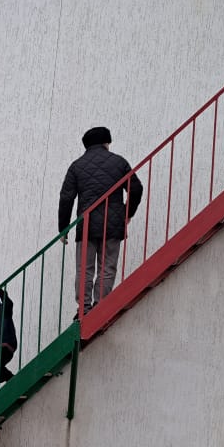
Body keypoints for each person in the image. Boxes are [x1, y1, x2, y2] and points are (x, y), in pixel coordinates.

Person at [58, 126, 144, 314]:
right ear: (106, 142)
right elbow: (136, 189)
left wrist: (63, 228)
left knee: (84, 269)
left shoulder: (76, 166)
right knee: (107, 267)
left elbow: (66, 198)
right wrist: (127, 213)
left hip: (86, 226)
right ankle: (100, 306)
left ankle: (84, 309)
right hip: (112, 226)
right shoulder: (119, 162)